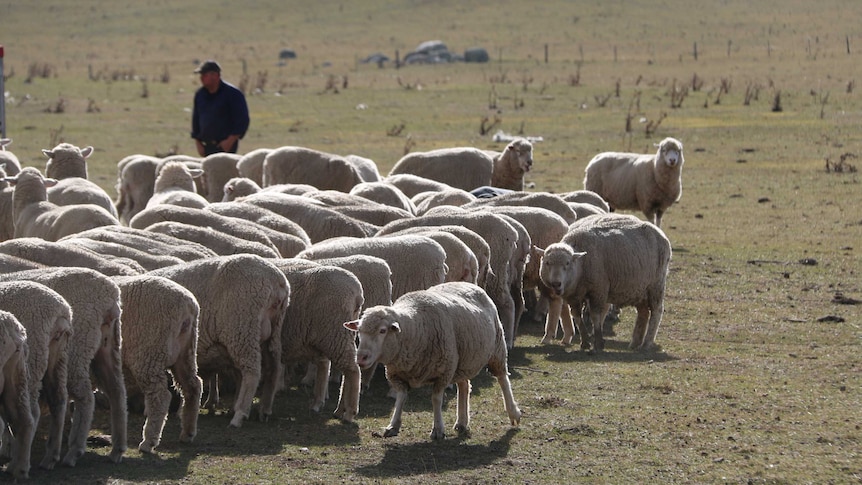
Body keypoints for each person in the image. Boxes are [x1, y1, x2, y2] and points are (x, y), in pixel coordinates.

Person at [190, 60, 250, 156]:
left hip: (225, 146)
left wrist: (230, 141)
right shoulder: (200, 95)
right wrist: (198, 142)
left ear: (215, 76)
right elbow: (196, 119)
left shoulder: (233, 94)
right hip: (206, 146)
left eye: (205, 75)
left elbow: (242, 120)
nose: (201, 78)